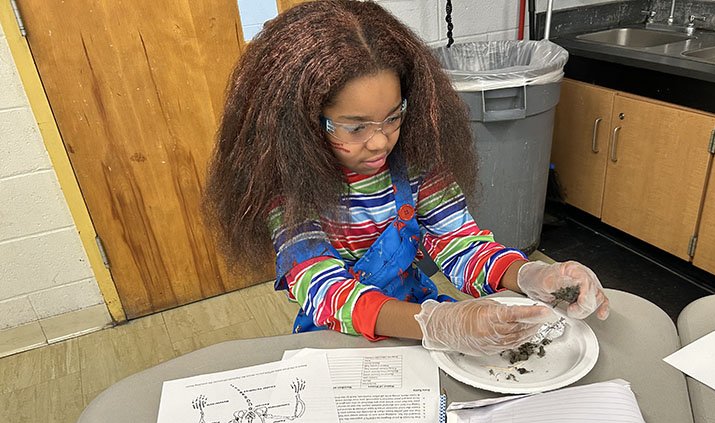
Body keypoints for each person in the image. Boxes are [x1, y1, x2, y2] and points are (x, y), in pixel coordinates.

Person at [204, 0, 609, 356]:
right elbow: (324, 291)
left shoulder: (413, 163)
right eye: (355, 127)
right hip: (340, 336)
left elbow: (458, 243)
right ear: (302, 126)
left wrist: (530, 275)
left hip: (417, 321)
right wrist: (438, 324)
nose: (381, 140)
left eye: (393, 116)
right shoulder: (290, 192)